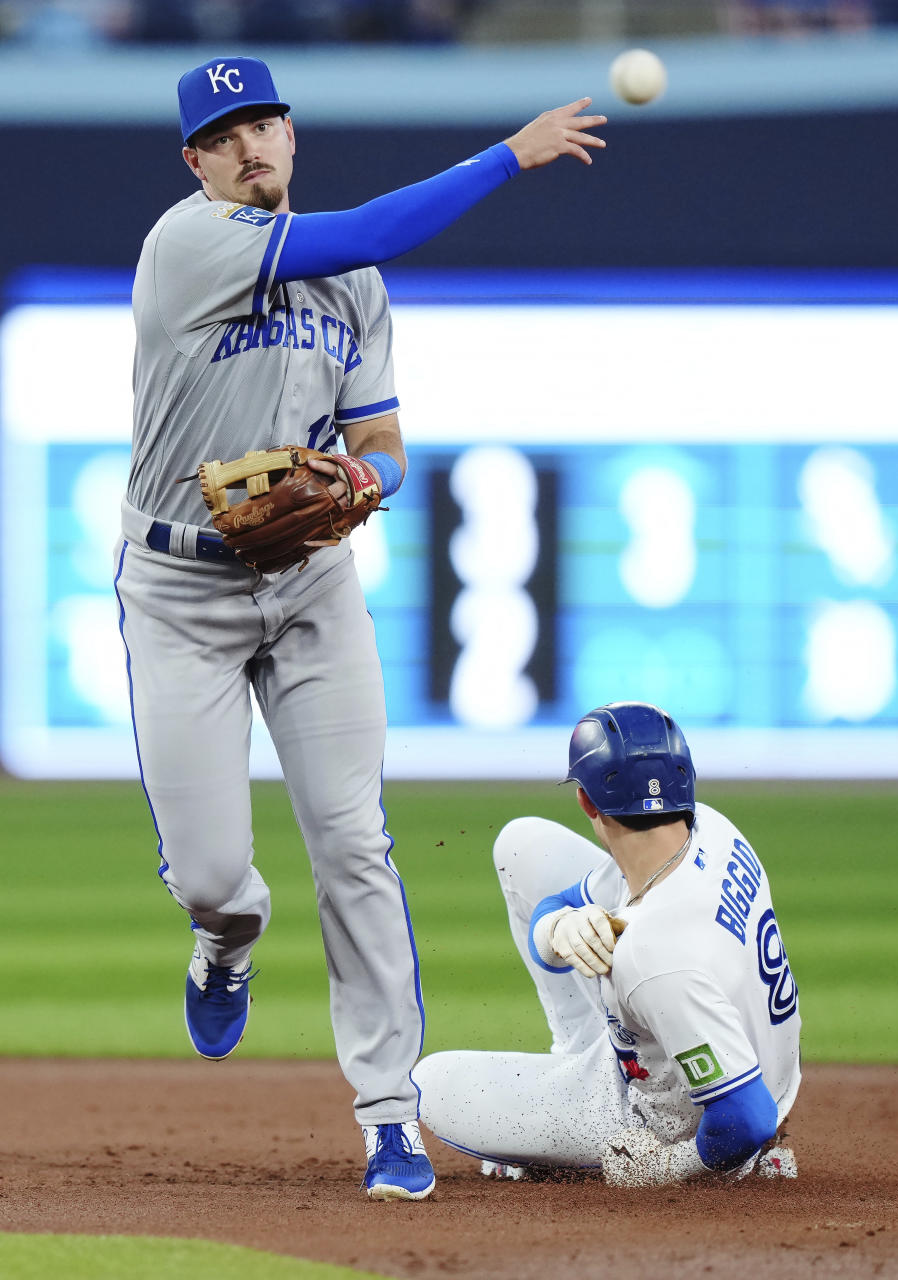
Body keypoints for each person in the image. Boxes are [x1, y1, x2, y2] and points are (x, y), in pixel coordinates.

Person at [112, 54, 605, 1202]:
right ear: (197, 163)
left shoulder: (354, 293)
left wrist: (365, 479)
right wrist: (505, 156)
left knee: (355, 845)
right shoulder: (186, 244)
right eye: (225, 134)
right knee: (214, 875)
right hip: (181, 594)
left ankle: (391, 1118)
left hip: (312, 588)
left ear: (293, 134)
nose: (251, 147)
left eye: (266, 124)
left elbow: (382, 442)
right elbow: (370, 227)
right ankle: (227, 936)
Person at [414, 702, 802, 1186]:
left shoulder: (653, 956)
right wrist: (554, 929)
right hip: (741, 1051)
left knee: (426, 1085)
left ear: (587, 802)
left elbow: (748, 1116)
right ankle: (574, 1050)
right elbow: (562, 898)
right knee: (522, 845)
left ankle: (719, 1159)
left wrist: (673, 1166)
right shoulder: (708, 828)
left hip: (684, 1114)